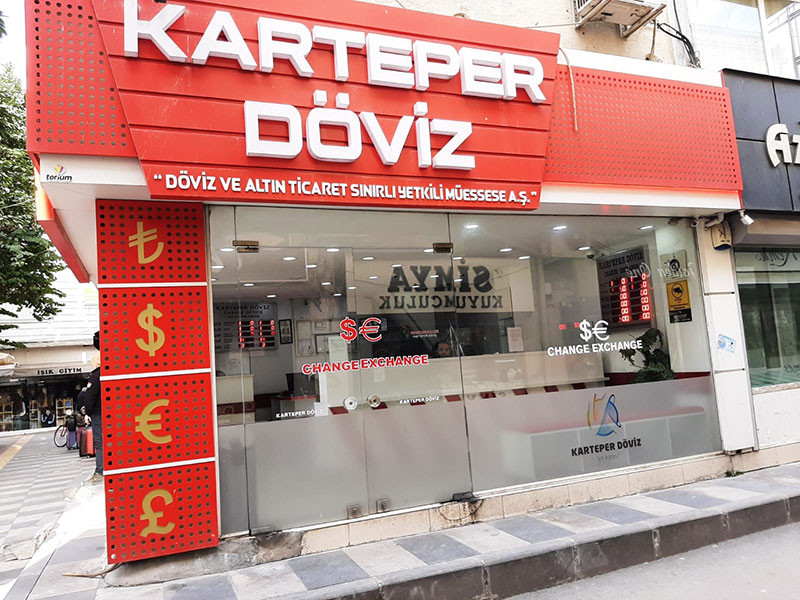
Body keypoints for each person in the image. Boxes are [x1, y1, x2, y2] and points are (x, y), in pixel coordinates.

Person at [78, 331, 103, 482]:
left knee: (100, 443)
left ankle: (100, 471)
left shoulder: (96, 375)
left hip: (99, 414)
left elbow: (90, 397)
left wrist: (88, 412)